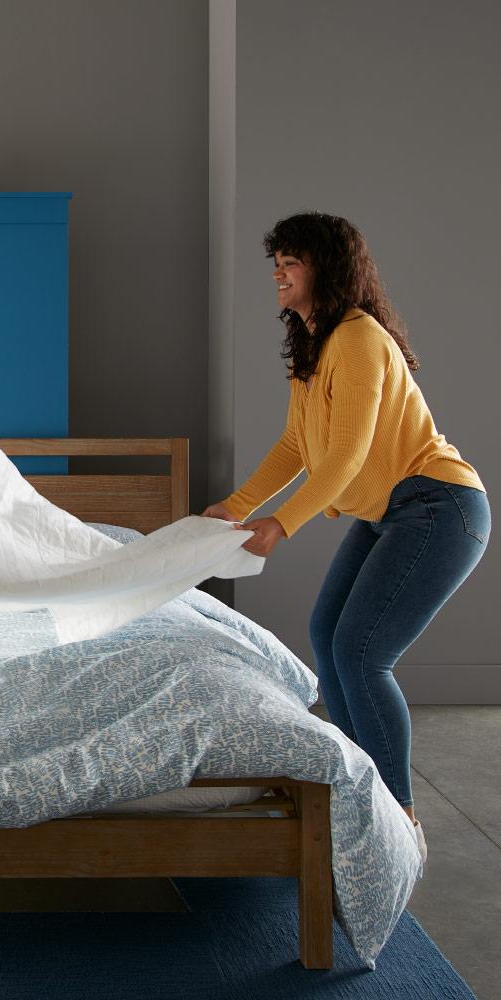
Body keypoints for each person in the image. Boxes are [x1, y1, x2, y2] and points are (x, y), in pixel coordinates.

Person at [202, 211, 491, 863]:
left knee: (361, 652)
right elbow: (297, 447)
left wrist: (281, 522)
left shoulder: (358, 339)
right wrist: (239, 504)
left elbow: (344, 458)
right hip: (393, 510)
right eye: (276, 259)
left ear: (327, 268)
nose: (278, 270)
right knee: (329, 638)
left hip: (440, 504)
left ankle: (400, 823)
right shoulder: (314, 346)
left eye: (293, 260)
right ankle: (364, 797)